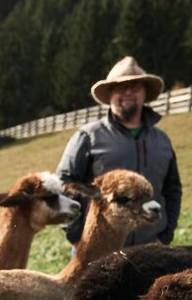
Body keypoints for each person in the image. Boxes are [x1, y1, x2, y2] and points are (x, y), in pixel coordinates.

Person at [56, 56, 182, 247]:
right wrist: (75, 236)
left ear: (145, 92)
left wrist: (165, 235)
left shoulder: (162, 141)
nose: (128, 92)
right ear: (110, 94)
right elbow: (64, 184)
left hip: (151, 248)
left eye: (135, 86)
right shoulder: (88, 137)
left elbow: (173, 190)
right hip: (98, 248)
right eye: (120, 87)